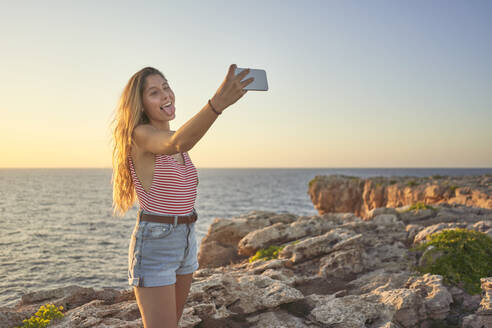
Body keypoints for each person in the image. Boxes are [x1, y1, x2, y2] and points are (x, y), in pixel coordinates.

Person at [110, 64, 254, 328]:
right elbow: (177, 143)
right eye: (154, 92)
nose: (165, 95)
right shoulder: (141, 136)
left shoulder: (175, 138)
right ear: (140, 105)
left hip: (186, 239)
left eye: (166, 87)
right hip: (156, 243)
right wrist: (217, 103)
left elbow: (180, 141)